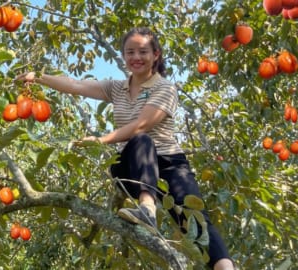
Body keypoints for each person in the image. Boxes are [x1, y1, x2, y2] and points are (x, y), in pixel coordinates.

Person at [16, 27, 234, 270]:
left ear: (156, 55)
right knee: (140, 143)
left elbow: (142, 124)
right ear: (123, 56)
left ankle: (225, 267)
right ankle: (147, 207)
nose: (136, 57)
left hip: (170, 164)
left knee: (196, 224)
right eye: (130, 52)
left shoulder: (165, 88)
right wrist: (39, 77)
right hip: (132, 165)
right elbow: (76, 85)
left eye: (143, 51)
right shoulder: (116, 88)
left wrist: (100, 140)